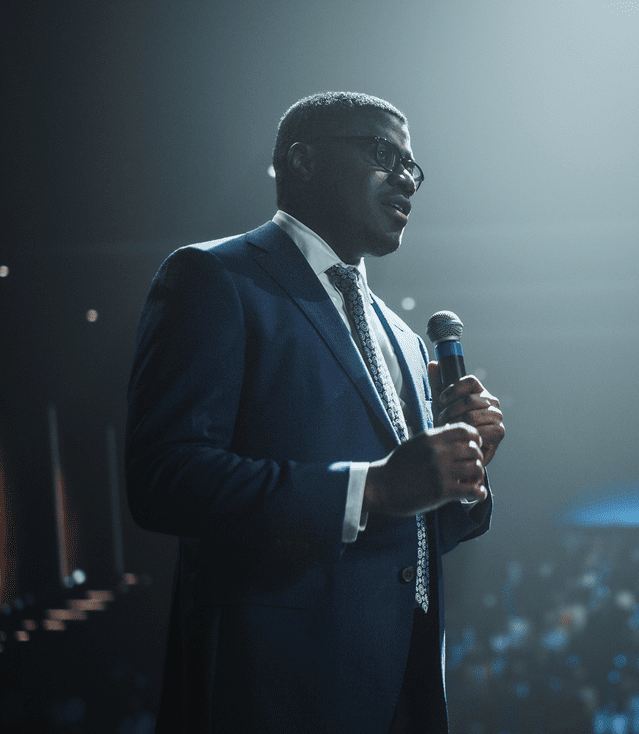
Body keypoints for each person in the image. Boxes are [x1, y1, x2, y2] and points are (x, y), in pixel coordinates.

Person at [125, 91, 505, 733]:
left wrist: (459, 475)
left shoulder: (407, 340)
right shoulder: (214, 278)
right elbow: (165, 478)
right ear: (301, 160)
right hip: (272, 692)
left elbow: (415, 534)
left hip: (402, 691)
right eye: (384, 154)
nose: (406, 180)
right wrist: (374, 486)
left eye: (414, 168)